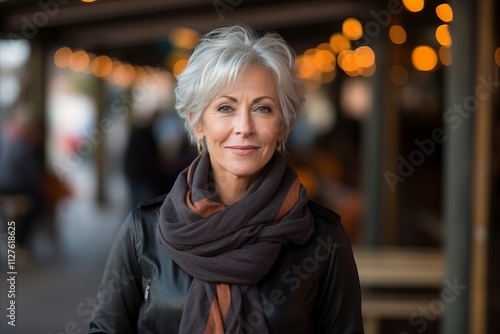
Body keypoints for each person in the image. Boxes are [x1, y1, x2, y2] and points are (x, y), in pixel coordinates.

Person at [89, 25, 364, 334]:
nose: (244, 126)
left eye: (262, 108)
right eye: (225, 108)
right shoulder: (144, 229)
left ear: (283, 125)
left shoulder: (322, 238)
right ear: (197, 122)